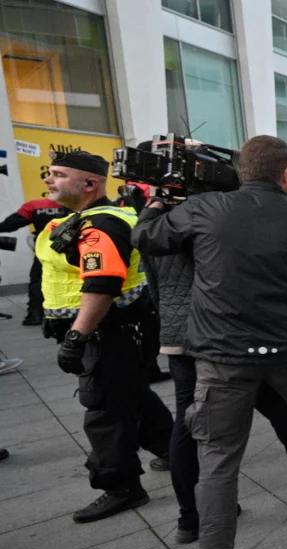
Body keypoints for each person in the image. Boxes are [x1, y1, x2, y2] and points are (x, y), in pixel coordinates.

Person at [133, 135, 287, 549]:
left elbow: (148, 239)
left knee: (218, 457)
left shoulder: (208, 208)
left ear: (242, 170)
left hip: (224, 355)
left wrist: (156, 203)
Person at [144, 200, 287, 545]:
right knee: (274, 406)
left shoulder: (157, 227)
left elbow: (155, 286)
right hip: (224, 334)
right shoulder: (217, 220)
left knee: (188, 422)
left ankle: (190, 518)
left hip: (181, 338)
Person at [37, 150, 173, 523]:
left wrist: (77, 337)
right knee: (133, 399)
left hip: (105, 333)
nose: (49, 179)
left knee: (104, 411)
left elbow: (101, 285)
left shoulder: (99, 225)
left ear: (90, 183)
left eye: (59, 174)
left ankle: (121, 486)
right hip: (116, 332)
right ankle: (177, 454)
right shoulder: (86, 219)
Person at [1, 196, 69, 325]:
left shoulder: (35, 205)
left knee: (38, 280)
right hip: (71, 247)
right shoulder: (75, 203)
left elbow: (11, 224)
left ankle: (36, 315)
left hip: (45, 249)